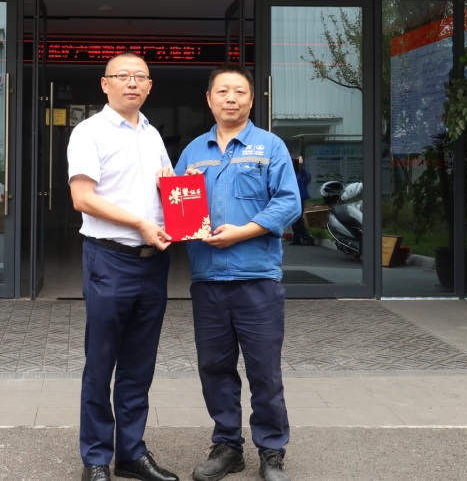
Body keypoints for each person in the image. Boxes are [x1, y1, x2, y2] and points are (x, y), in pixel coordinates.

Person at [174, 65, 300, 481]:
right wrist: (176, 190)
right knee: (214, 367)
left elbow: (289, 203)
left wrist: (242, 232)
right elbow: (175, 207)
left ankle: (272, 450)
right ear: (209, 99)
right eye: (223, 91)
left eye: (240, 91)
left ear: (251, 98)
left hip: (257, 279)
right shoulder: (193, 152)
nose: (231, 98)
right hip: (208, 280)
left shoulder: (270, 147)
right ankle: (228, 446)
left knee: (265, 370)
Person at [67, 52, 180, 481]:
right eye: (122, 76)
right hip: (110, 259)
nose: (132, 83)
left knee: (139, 364)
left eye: (140, 77)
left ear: (150, 86)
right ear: (105, 83)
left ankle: (131, 453)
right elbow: (83, 198)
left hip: (153, 263)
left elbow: (167, 190)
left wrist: (184, 207)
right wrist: (139, 223)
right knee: (101, 363)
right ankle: (96, 458)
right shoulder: (88, 132)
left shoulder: (152, 134)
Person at [288, 158, 315, 246]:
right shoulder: (295, 174)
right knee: (295, 219)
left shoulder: (302, 174)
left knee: (297, 219)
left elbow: (301, 167)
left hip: (300, 198)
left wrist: (300, 160)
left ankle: (308, 238)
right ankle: (296, 239)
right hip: (295, 198)